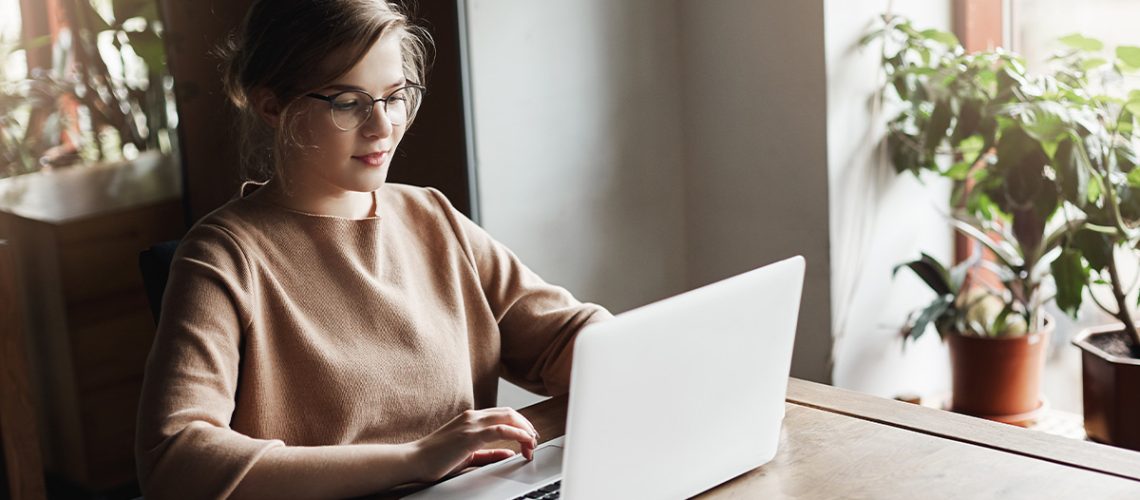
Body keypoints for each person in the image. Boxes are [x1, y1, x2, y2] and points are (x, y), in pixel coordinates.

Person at [134, 1, 612, 498]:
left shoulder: (433, 217)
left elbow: (569, 337)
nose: (382, 126)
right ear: (271, 105)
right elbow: (175, 459)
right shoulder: (222, 258)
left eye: (395, 96)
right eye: (348, 101)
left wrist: (631, 353)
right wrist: (416, 459)